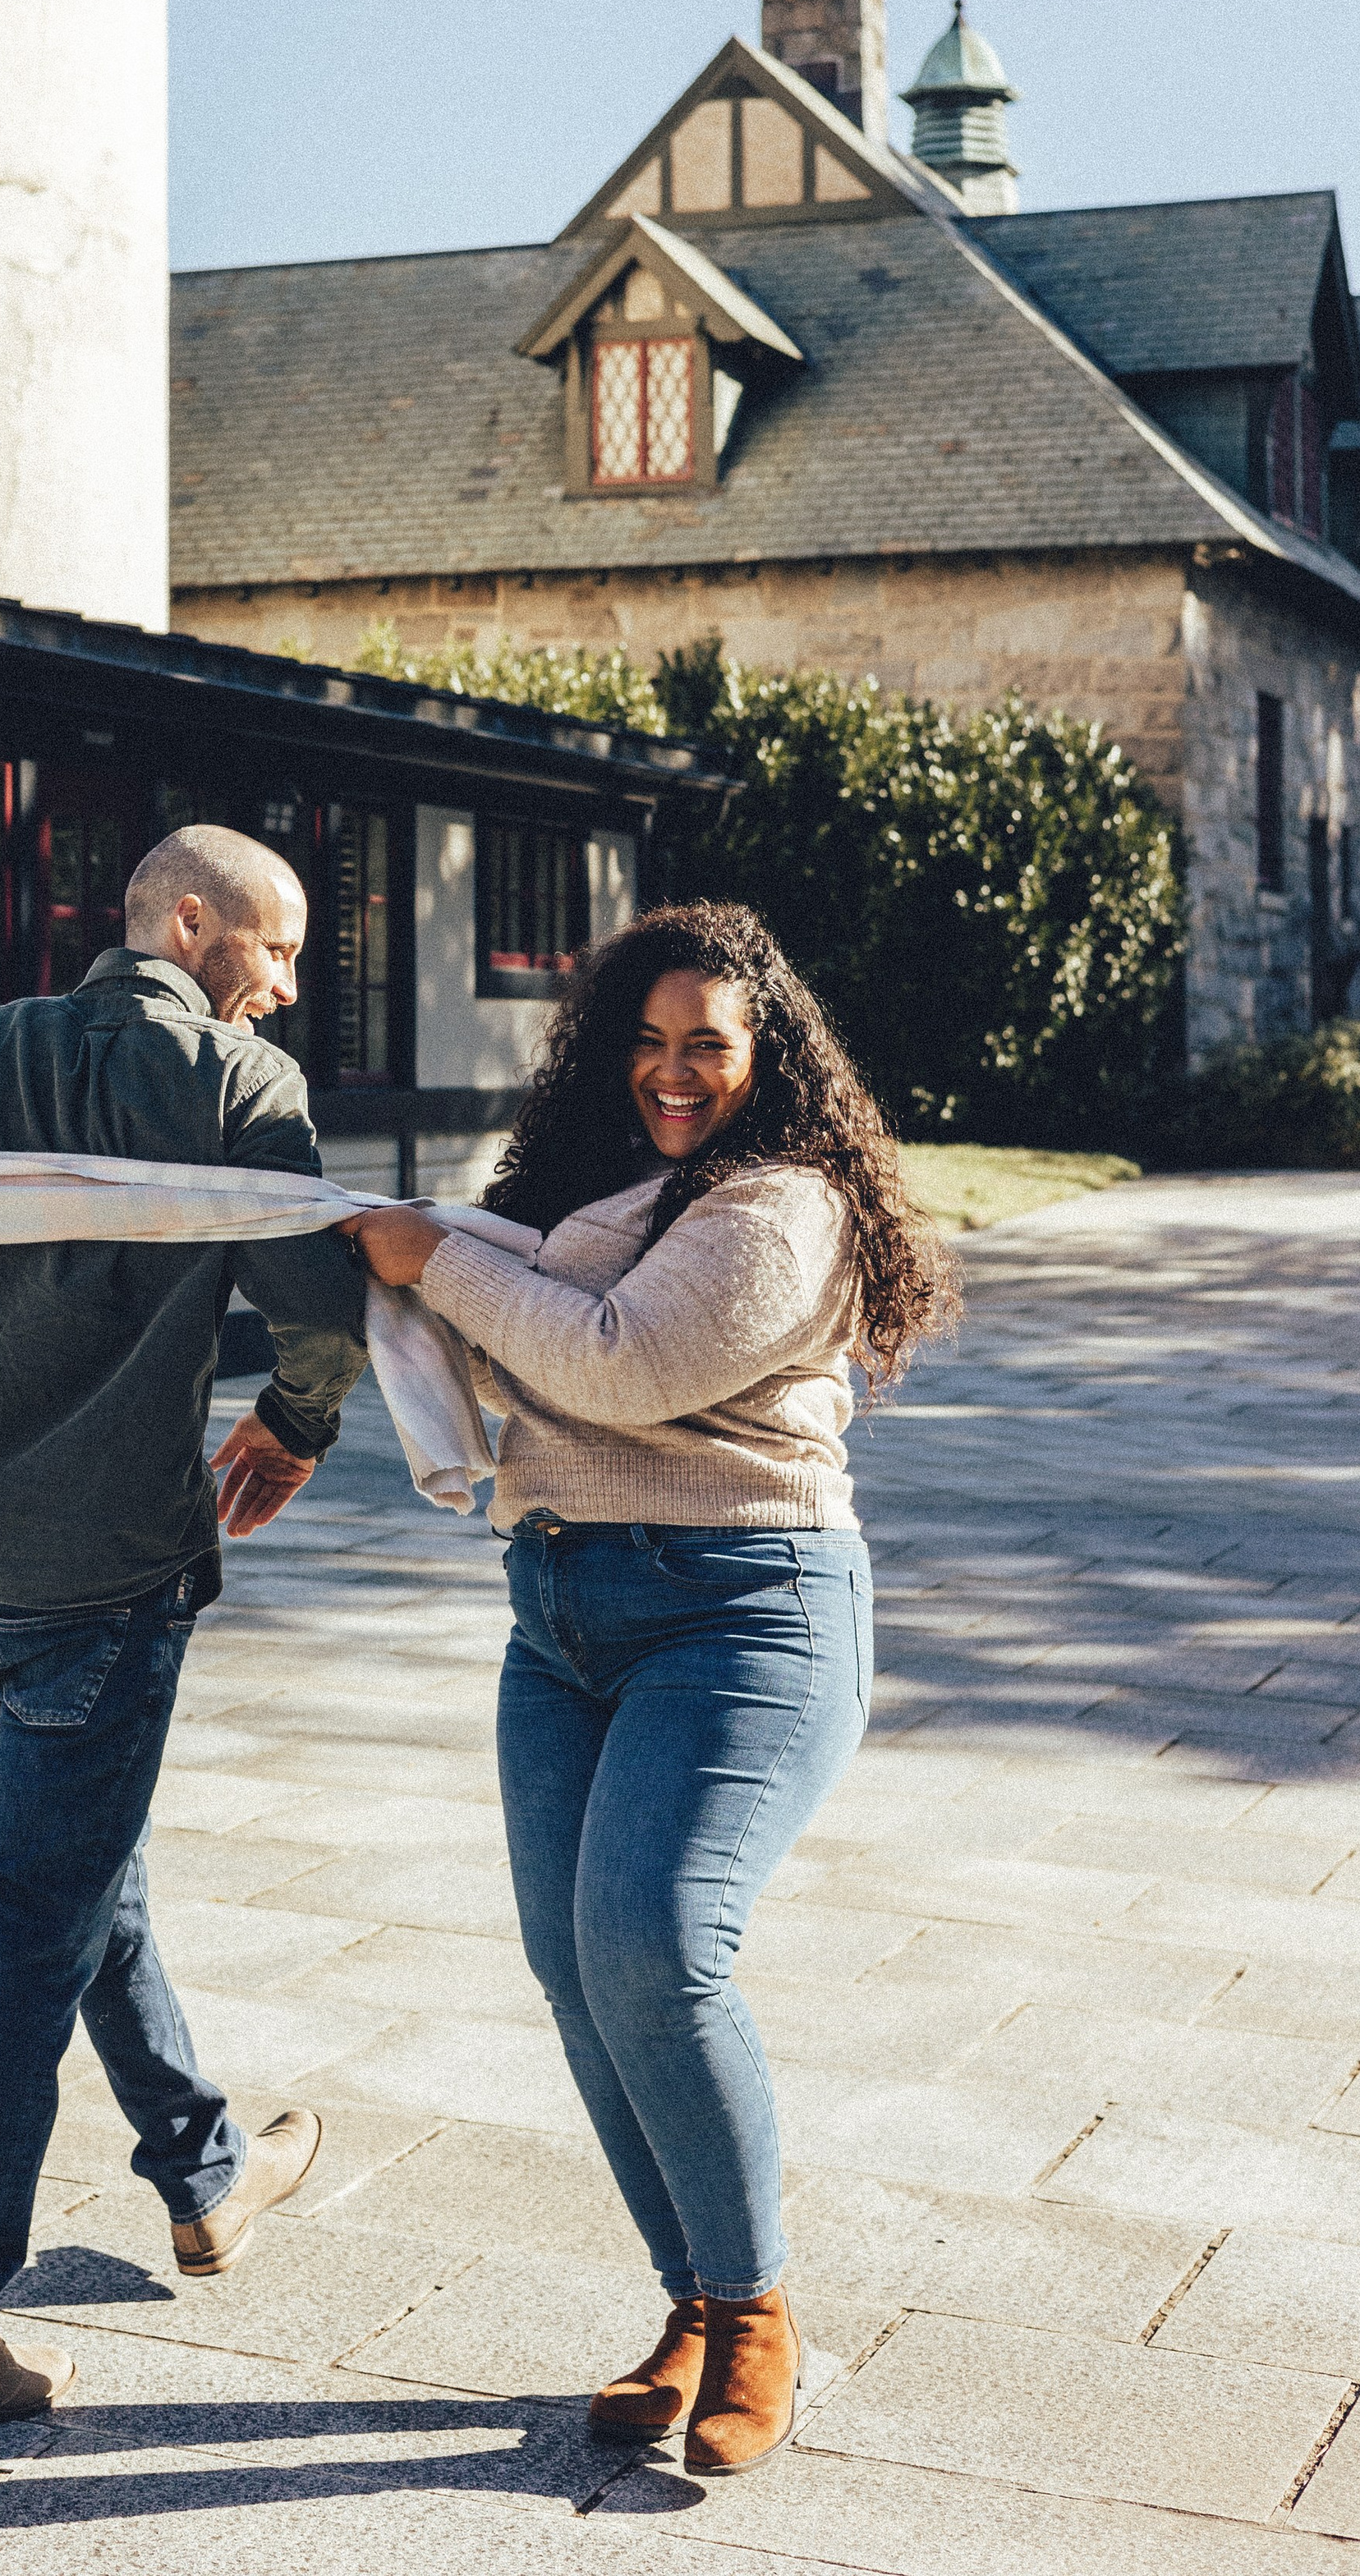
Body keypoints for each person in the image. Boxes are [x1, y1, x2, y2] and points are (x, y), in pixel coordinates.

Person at [341, 901, 952, 2477]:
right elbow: (512, 1335)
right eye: (653, 1041)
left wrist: (437, 1264)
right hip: (558, 1614)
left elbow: (613, 1361)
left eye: (712, 1047)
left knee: (657, 1945)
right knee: (574, 1963)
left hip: (743, 1611)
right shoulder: (595, 1187)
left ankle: (757, 2315)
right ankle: (691, 2295)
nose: (677, 1073)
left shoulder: (787, 1203)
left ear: (768, 1060)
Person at [0, 824, 370, 2444]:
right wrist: (291, 1425)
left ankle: (202, 2172)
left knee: (74, 1868)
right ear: (191, 925)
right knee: (28, 1931)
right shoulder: (234, 1090)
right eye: (271, 952)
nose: (280, 991)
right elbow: (322, 1314)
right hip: (105, 1576)